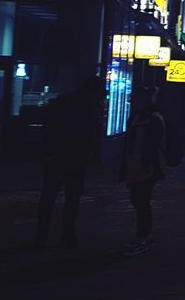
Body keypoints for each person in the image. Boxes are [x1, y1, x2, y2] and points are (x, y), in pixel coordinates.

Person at [35, 77, 104, 248]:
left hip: (62, 157)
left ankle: (44, 234)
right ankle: (66, 233)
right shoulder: (86, 107)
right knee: (70, 197)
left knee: (51, 197)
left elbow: (49, 128)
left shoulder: (66, 102)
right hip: (73, 157)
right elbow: (89, 132)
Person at [120, 86, 166, 256]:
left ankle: (143, 237)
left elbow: (152, 145)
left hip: (145, 167)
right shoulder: (141, 117)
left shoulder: (150, 118)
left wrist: (148, 164)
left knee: (141, 202)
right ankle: (144, 236)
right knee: (139, 201)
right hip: (138, 165)